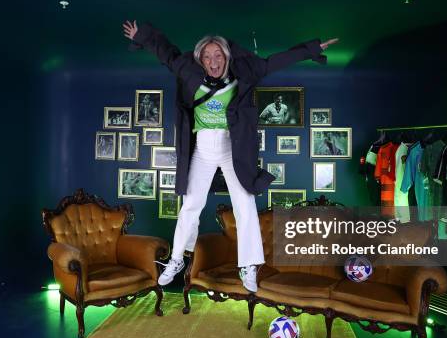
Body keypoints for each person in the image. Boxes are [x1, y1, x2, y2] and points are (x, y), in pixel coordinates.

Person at [123, 20, 337, 292]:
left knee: (244, 205)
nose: (213, 61)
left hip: (232, 145)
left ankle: (249, 266)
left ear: (227, 56)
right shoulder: (188, 71)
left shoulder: (246, 70)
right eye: (207, 56)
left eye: (218, 55)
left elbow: (277, 61)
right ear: (200, 59)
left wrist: (312, 48)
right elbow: (166, 52)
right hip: (202, 147)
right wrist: (141, 35)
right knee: (191, 204)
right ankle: (177, 258)